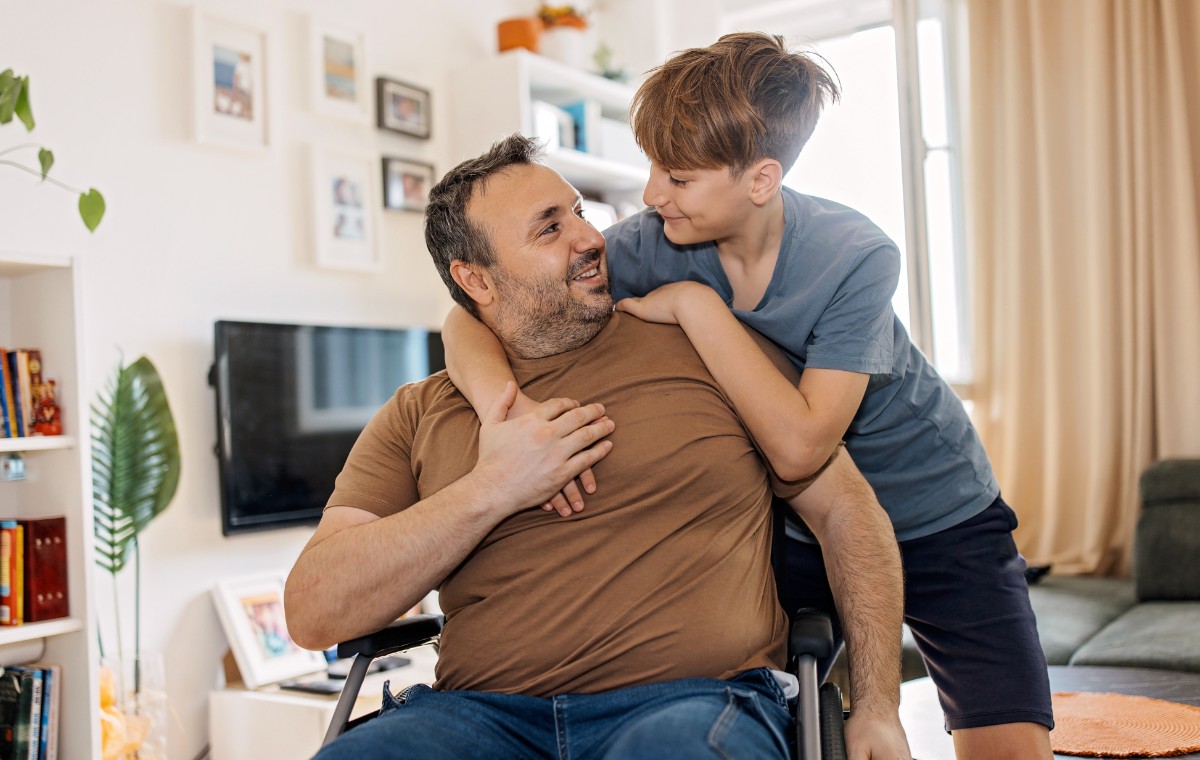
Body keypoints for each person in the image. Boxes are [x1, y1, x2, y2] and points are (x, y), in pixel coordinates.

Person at [442, 32, 1053, 760]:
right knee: (768, 712)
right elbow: (464, 314)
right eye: (651, 169)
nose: (650, 194)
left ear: (760, 179)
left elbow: (799, 448)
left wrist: (699, 311)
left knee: (1009, 749)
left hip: (940, 509)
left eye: (677, 176)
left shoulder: (856, 256)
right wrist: (505, 414)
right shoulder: (650, 243)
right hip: (799, 528)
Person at [285, 135, 905, 759]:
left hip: (692, 704)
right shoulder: (419, 412)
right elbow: (314, 612)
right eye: (550, 229)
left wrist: (878, 708)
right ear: (475, 279)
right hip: (477, 720)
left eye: (579, 212)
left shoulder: (706, 349)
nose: (589, 238)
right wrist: (492, 488)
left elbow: (847, 511)